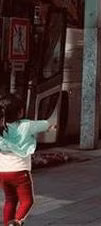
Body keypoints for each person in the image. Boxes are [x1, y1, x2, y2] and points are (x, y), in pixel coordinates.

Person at [0, 93, 55, 226]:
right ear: (20, 112)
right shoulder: (27, 125)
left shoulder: (1, 127)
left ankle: (7, 224)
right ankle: (16, 223)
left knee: (10, 200)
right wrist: (50, 127)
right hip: (20, 172)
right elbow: (46, 124)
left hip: (3, 172)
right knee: (27, 201)